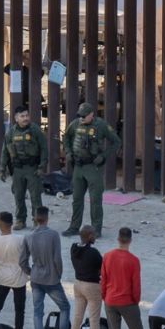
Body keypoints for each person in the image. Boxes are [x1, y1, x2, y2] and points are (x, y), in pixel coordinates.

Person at [61, 102, 121, 238]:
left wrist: (103, 156)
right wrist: (68, 152)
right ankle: (74, 227)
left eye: (84, 116)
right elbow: (67, 137)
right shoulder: (75, 124)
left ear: (91, 114)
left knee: (95, 200)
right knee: (76, 199)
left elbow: (116, 142)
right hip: (78, 167)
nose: (82, 118)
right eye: (80, 116)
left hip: (93, 167)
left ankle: (96, 229)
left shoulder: (101, 125)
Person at [19, 206, 72, 329]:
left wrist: (31, 272)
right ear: (47, 218)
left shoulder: (28, 236)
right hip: (51, 278)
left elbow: (22, 261)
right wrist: (58, 274)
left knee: (37, 312)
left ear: (35, 218)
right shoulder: (53, 235)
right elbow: (57, 259)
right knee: (65, 307)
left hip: (36, 278)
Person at [101, 226, 152, 329]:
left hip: (110, 299)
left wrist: (104, 295)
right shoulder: (133, 260)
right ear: (130, 240)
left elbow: (103, 279)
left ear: (118, 239)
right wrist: (136, 300)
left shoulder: (107, 256)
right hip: (127, 300)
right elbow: (136, 284)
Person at [0, 105, 47, 231]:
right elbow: (5, 152)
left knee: (35, 196)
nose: (25, 118)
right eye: (22, 116)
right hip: (18, 169)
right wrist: (2, 169)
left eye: (27, 115)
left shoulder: (35, 130)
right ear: (16, 118)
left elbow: (44, 148)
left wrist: (42, 166)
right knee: (18, 195)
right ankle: (20, 220)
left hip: (33, 168)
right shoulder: (11, 133)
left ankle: (37, 221)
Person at [0, 211, 30, 329]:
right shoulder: (20, 239)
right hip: (18, 277)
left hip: (3, 276)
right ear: (11, 224)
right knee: (19, 309)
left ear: (0, 224)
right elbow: (25, 256)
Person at [69, 225, 104, 329]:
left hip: (78, 284)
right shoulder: (93, 253)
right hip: (92, 286)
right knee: (94, 319)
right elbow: (102, 269)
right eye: (93, 234)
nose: (95, 236)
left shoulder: (73, 248)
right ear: (89, 236)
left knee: (77, 318)